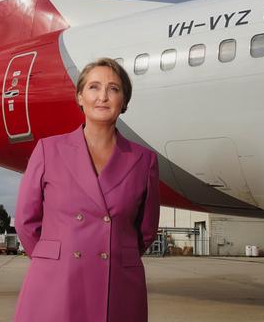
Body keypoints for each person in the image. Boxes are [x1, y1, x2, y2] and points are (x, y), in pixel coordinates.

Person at [14, 58, 160, 322]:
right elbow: (26, 222)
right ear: (79, 97)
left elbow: (146, 230)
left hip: (118, 285)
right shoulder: (48, 150)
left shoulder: (144, 160)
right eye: (94, 87)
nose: (103, 96)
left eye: (114, 89)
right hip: (56, 282)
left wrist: (113, 254)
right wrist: (55, 260)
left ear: (124, 101)